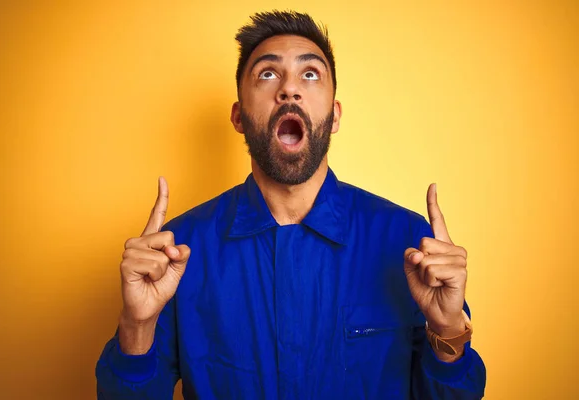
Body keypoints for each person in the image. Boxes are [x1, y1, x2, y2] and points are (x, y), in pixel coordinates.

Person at [95, 10, 486, 399]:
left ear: (333, 116)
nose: (289, 90)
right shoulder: (176, 253)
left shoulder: (408, 243)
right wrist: (137, 324)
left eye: (310, 74)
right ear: (239, 117)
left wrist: (449, 328)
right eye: (267, 74)